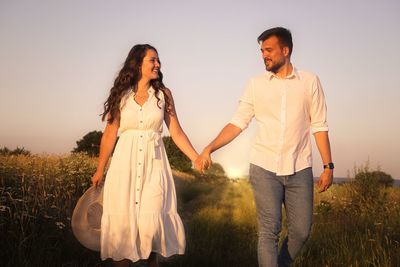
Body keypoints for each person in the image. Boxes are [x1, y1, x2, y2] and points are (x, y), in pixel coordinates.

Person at [196, 27, 334, 267]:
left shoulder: (310, 81)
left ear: (286, 50)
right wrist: (210, 148)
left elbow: (319, 125)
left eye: (269, 50)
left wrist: (328, 165)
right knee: (269, 231)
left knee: (301, 231)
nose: (264, 55)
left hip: (299, 167)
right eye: (261, 51)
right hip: (264, 167)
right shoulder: (255, 84)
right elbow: (238, 122)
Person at [91, 44, 199, 267]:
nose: (158, 64)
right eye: (153, 60)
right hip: (124, 166)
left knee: (151, 228)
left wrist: (195, 157)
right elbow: (110, 134)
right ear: (137, 63)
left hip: (154, 165)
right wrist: (100, 168)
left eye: (158, 60)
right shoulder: (121, 95)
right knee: (122, 229)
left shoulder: (163, 95)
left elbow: (176, 132)